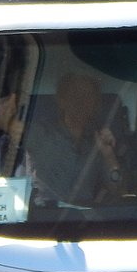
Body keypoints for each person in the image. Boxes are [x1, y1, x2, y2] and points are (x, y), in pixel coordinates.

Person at [23, 72, 124, 205]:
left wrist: (109, 155)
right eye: (75, 95)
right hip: (44, 215)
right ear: (62, 100)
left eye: (88, 96)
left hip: (86, 219)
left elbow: (119, 190)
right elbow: (14, 133)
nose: (81, 102)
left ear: (95, 104)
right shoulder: (40, 133)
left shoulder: (100, 141)